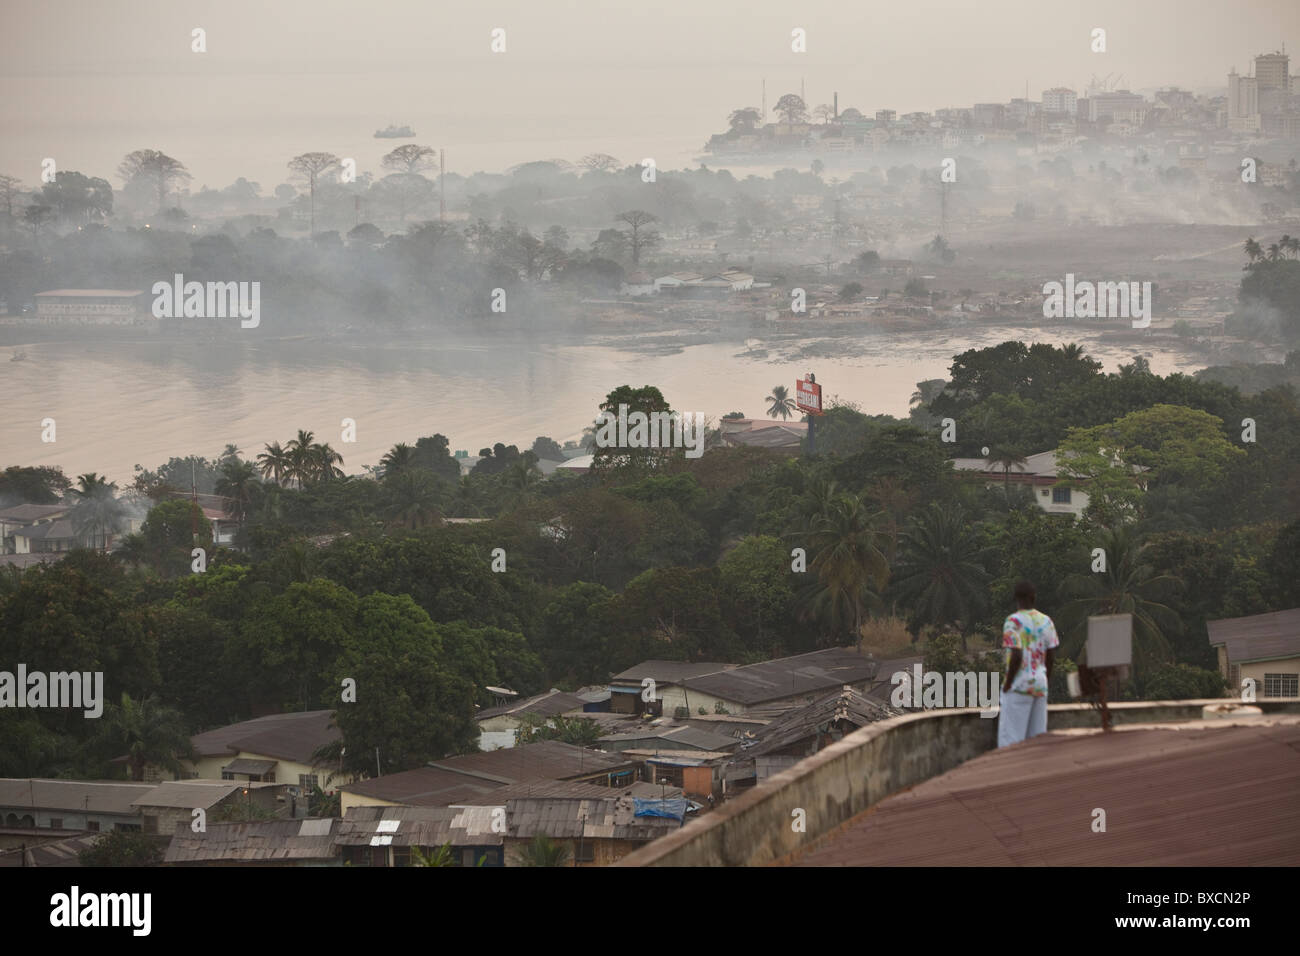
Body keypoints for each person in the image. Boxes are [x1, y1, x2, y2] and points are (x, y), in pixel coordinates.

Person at [998, 580, 1058, 748]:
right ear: (1034, 597)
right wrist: (1046, 679)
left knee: (1011, 741)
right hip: (1040, 684)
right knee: (1037, 740)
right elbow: (1051, 656)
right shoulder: (1046, 621)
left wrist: (1007, 684)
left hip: (1019, 685)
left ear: (1015, 598)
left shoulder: (1013, 621)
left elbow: (1016, 656)